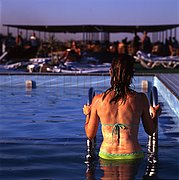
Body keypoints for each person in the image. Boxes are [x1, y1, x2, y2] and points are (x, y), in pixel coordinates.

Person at [83, 53, 161, 160]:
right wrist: (155, 115)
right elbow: (150, 130)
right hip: (132, 154)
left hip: (107, 154)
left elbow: (90, 134)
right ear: (131, 74)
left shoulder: (98, 100)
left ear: (111, 72)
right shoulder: (141, 99)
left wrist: (88, 114)